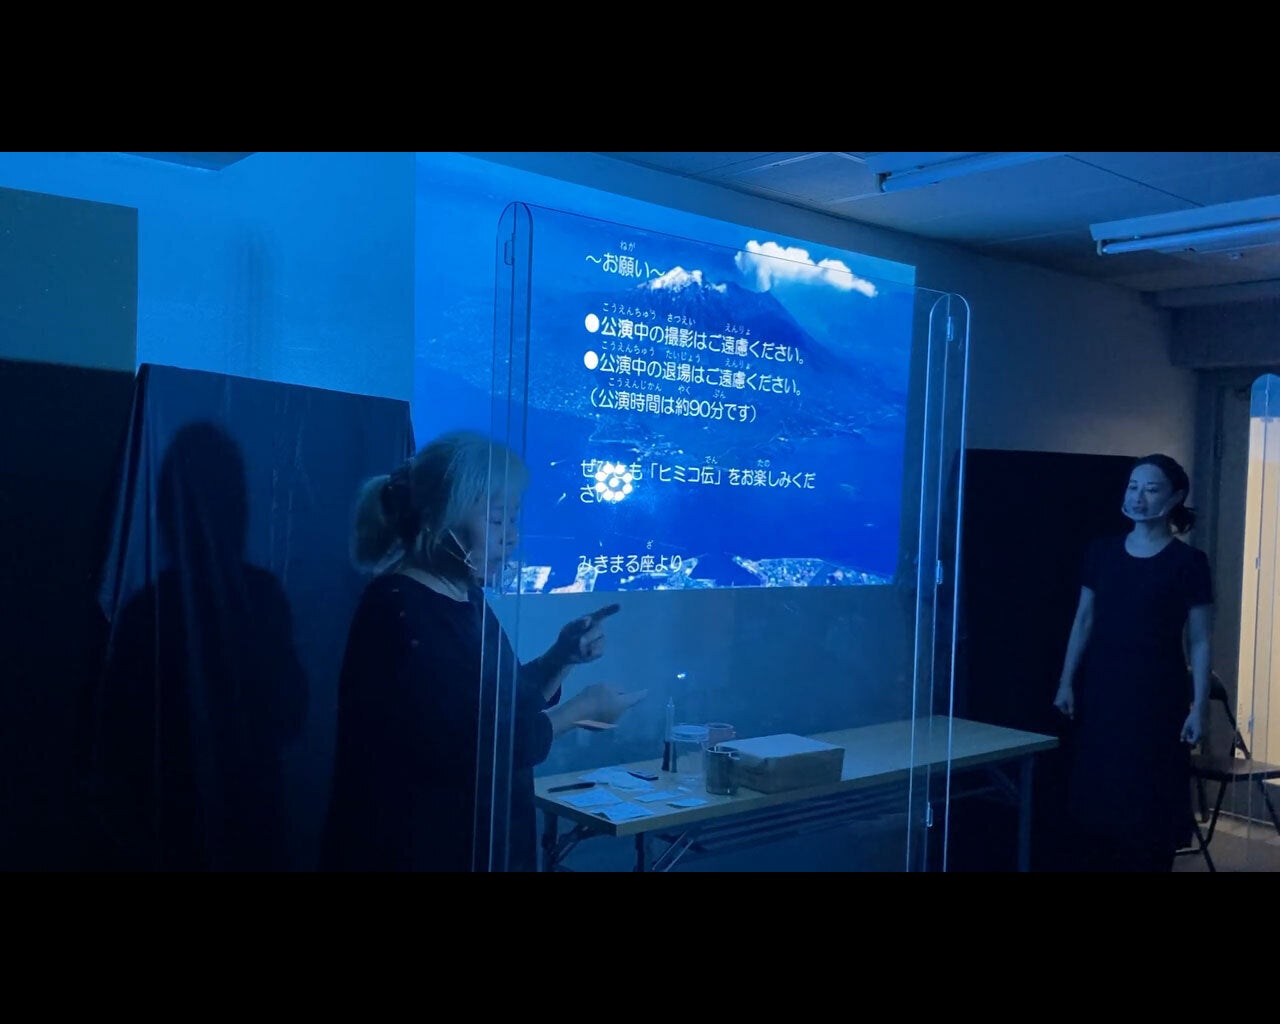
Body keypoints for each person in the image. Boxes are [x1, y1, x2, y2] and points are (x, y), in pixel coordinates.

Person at [320, 429, 645, 872]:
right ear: (438, 519)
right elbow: (471, 746)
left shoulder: (466, 597)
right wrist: (580, 710)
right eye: (496, 520)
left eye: (513, 519)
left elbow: (499, 703)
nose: (511, 537)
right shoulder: (398, 610)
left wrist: (560, 658)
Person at [1053, 453, 1213, 872]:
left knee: (1149, 805)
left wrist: (1198, 707)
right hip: (1103, 691)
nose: (1138, 497)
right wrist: (1066, 681)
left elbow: (1199, 640)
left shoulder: (1188, 562)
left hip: (1158, 697)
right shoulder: (1102, 552)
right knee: (1099, 800)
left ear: (1175, 497)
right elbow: (1083, 620)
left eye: (1151, 489)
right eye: (1133, 486)